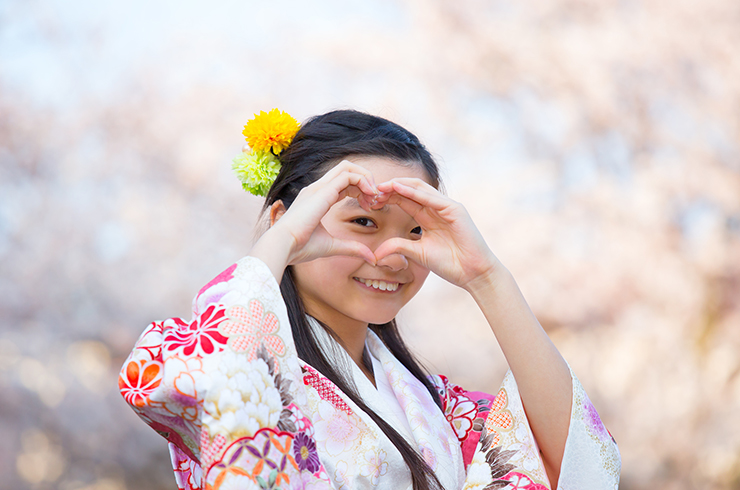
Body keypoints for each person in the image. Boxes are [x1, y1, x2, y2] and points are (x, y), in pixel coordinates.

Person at [119, 109, 621, 490]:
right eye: (363, 222)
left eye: (415, 230)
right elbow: (209, 374)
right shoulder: (219, 351)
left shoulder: (434, 405)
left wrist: (487, 277)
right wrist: (282, 243)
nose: (391, 256)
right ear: (286, 221)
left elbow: (579, 462)